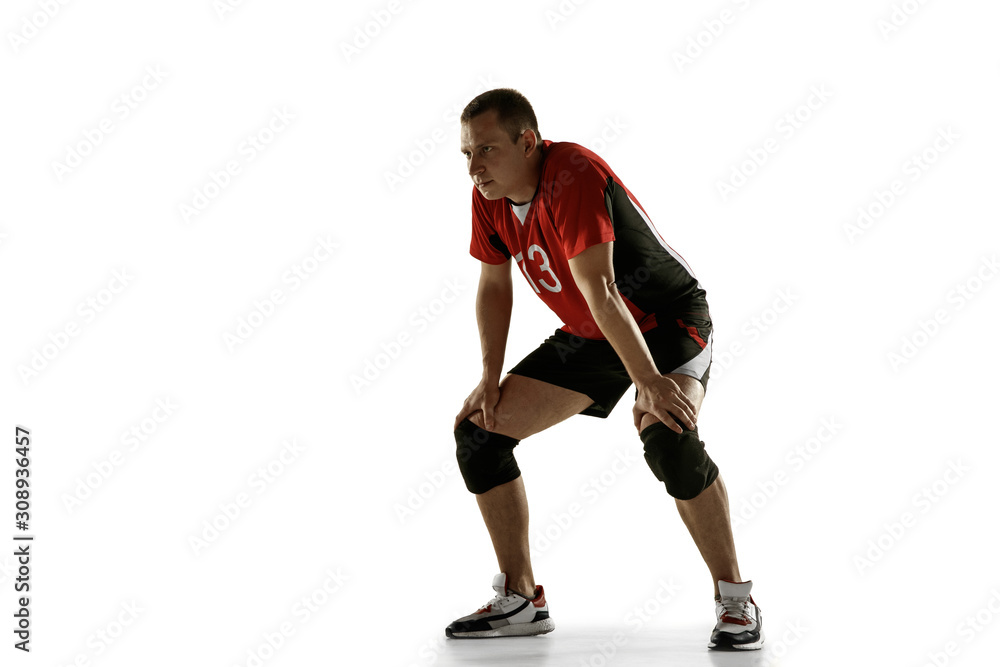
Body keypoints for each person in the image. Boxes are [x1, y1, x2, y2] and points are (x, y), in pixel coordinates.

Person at [445, 88, 763, 651]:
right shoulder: (487, 196)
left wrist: (648, 383)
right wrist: (490, 377)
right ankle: (520, 598)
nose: (475, 167)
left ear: (528, 141)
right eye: (468, 153)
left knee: (670, 438)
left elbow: (603, 287)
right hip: (593, 331)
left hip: (665, 322)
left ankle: (736, 600)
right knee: (478, 432)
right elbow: (494, 287)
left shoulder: (572, 173)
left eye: (487, 150)